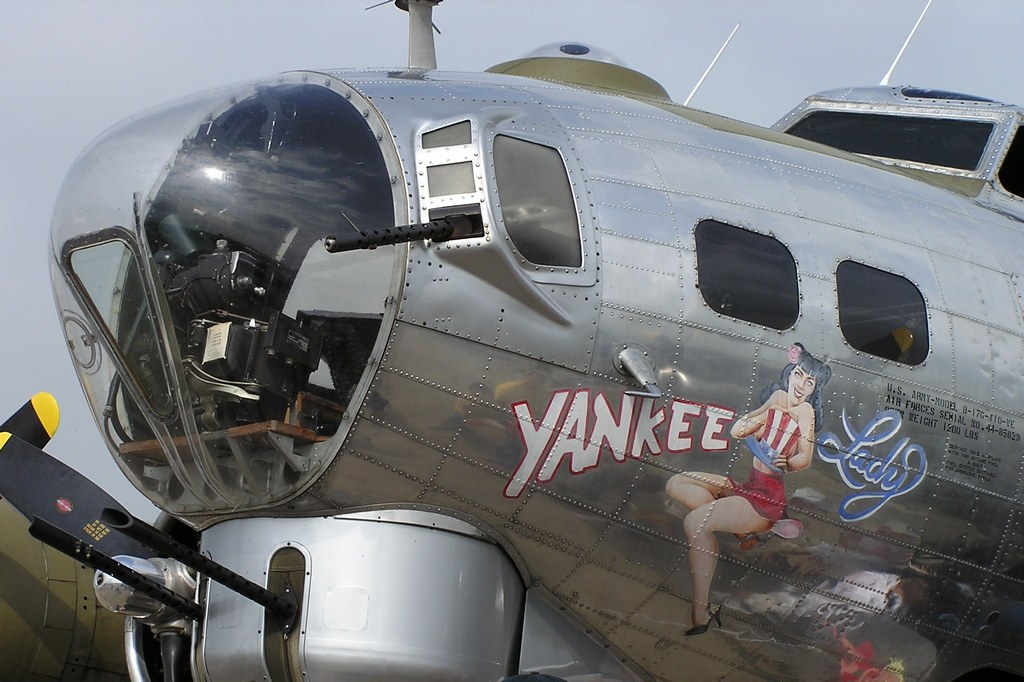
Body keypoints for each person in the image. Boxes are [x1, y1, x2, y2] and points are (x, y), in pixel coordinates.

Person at [664, 343, 831, 636]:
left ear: (815, 388)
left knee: (695, 523)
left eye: (810, 382)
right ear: (790, 372)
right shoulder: (777, 400)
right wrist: (768, 408)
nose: (802, 385)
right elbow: (738, 430)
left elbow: (806, 456)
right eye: (799, 375)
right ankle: (741, 530)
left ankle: (700, 612)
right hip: (747, 486)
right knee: (675, 483)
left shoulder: (805, 412)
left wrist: (788, 461)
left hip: (765, 498)